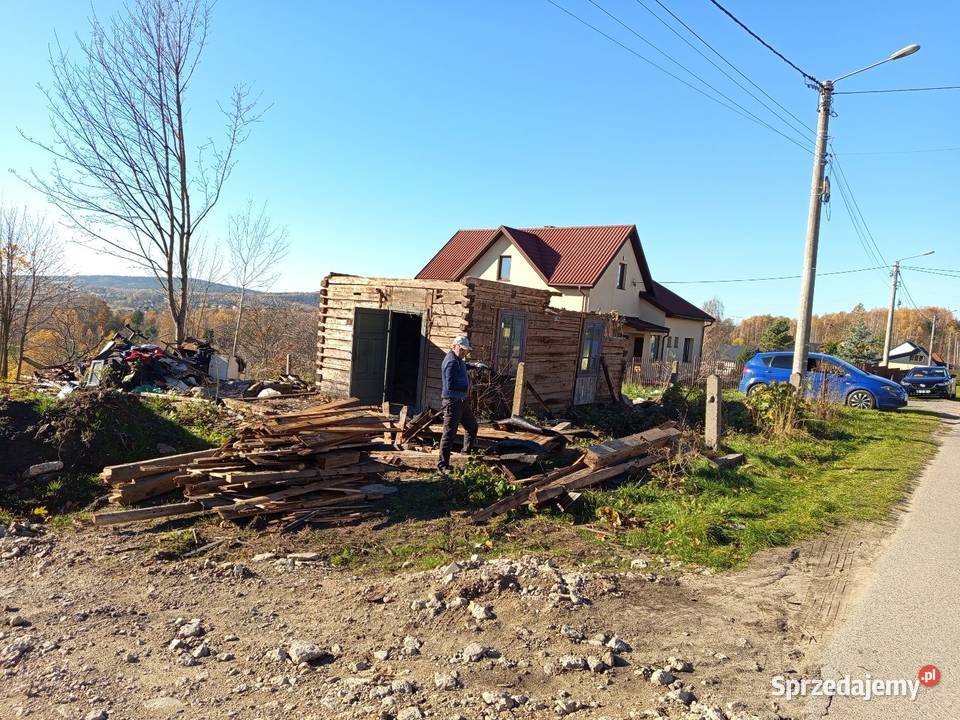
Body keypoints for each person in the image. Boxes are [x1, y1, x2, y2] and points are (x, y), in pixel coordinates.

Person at [437, 335, 479, 473]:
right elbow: (450, 385)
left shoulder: (458, 360)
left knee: (472, 426)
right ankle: (442, 466)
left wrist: (474, 365)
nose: (464, 353)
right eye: (462, 350)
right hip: (452, 402)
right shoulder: (450, 362)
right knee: (449, 434)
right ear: (454, 346)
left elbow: (463, 365)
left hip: (461, 401)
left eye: (465, 351)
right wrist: (468, 387)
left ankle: (465, 453)